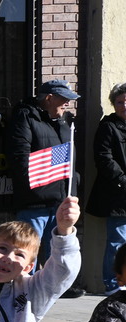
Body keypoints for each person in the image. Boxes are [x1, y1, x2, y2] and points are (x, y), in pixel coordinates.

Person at [8, 79, 85, 296]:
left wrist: (73, 183)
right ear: (49, 98)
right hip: (35, 200)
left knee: (57, 248)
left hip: (59, 198)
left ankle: (58, 288)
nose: (68, 104)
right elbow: (20, 157)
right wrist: (35, 187)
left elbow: (68, 159)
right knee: (27, 248)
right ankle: (22, 290)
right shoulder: (26, 117)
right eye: (64, 99)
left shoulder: (64, 121)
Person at [85, 82, 126, 296]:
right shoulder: (108, 126)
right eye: (120, 102)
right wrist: (123, 181)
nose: (124, 105)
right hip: (118, 195)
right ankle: (112, 285)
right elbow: (103, 158)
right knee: (118, 242)